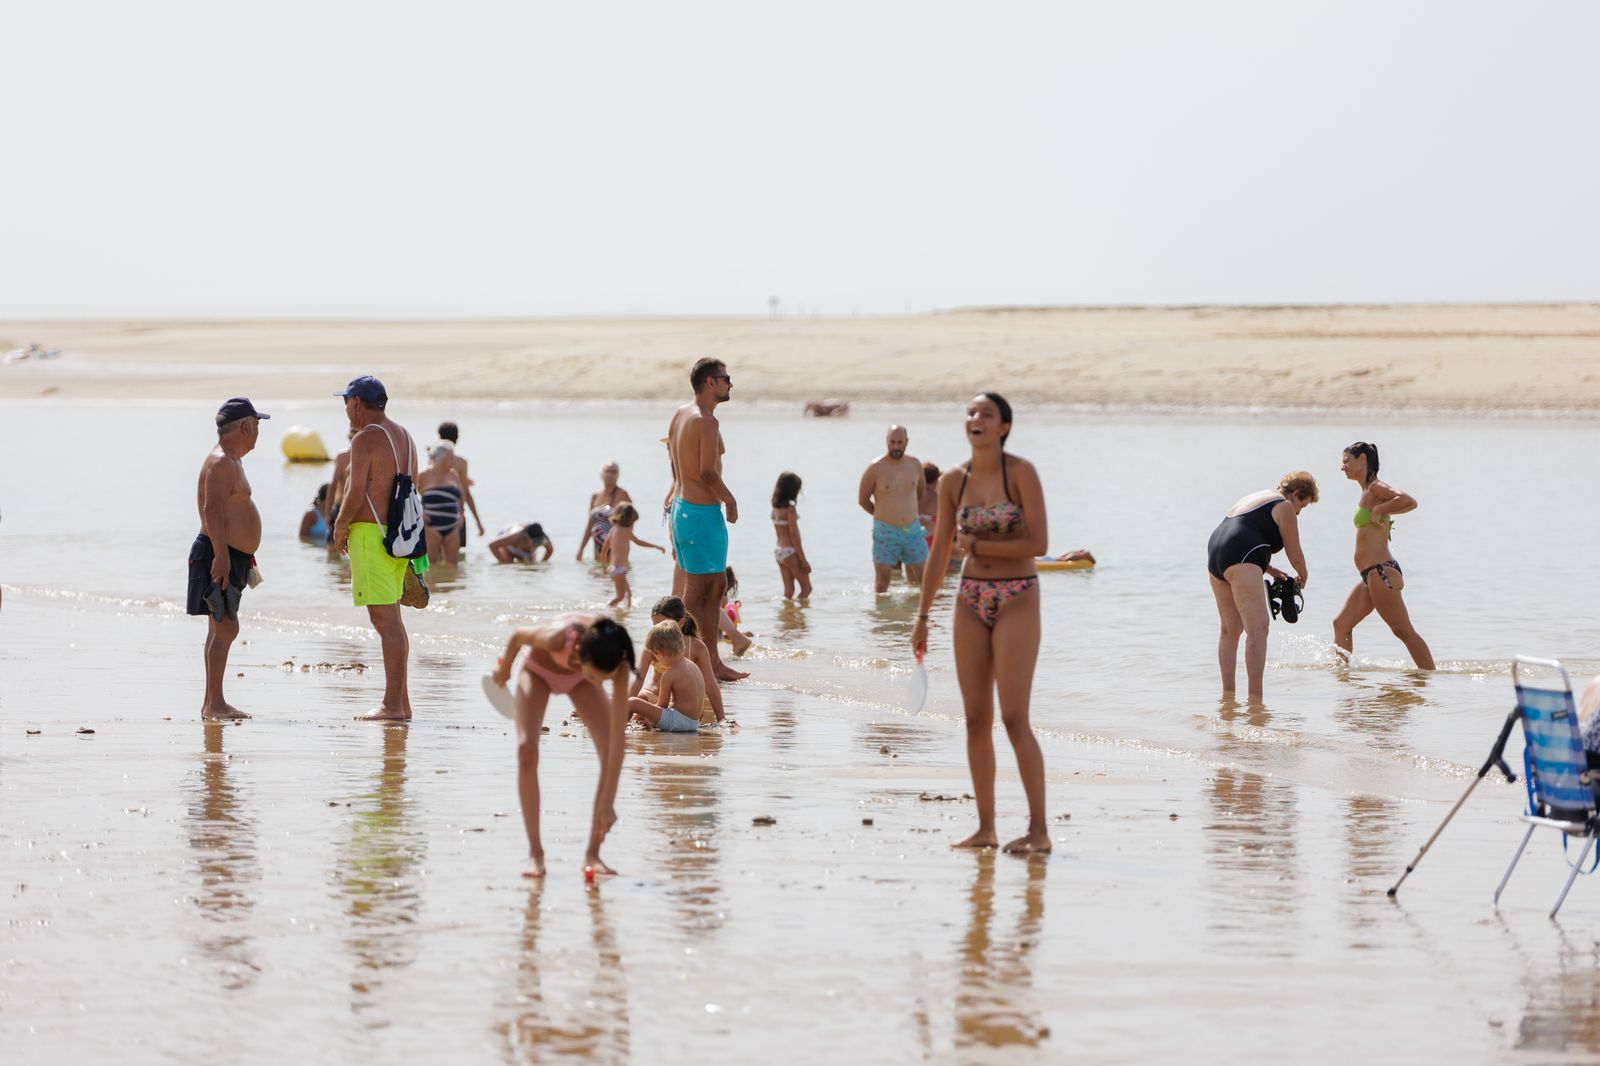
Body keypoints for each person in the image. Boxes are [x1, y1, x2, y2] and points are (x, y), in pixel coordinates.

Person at [913, 393, 1051, 854]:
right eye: (971, 413)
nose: (976, 419)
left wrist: (982, 547)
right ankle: (986, 828)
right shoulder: (954, 480)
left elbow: (1038, 541)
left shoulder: (1021, 473)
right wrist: (922, 614)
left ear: (1004, 427)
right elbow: (939, 551)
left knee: (1014, 717)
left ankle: (1039, 830)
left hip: (1018, 598)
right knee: (975, 719)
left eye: (986, 414)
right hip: (969, 599)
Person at [490, 614, 635, 877]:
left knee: (606, 752)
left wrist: (608, 802)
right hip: (538, 673)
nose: (602, 684)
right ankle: (536, 854)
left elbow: (617, 743)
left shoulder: (617, 660)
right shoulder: (558, 637)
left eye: (606, 679)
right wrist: (504, 671)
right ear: (580, 651)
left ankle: (593, 855)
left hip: (580, 682)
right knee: (526, 751)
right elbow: (517, 636)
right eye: (597, 677)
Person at [330, 375, 419, 722]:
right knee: (393, 620)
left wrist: (340, 525)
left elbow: (354, 492)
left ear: (355, 403)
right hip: (400, 536)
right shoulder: (405, 436)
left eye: (346, 404)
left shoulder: (365, 438)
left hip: (371, 534)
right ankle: (402, 702)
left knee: (385, 622)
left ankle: (392, 705)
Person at [189, 397, 269, 721]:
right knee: (226, 628)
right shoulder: (222, 461)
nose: (258, 433)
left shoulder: (232, 459)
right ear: (246, 426)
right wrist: (221, 556)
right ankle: (215, 703)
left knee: (220, 628)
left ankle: (212, 702)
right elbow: (211, 508)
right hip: (217, 552)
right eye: (258, 426)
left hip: (228, 552)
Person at [1205, 472, 1317, 698]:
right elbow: (1294, 552)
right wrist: (1303, 575)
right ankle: (1255, 700)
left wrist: (1268, 569)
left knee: (1230, 629)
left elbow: (1241, 533)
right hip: (1243, 555)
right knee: (1258, 628)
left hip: (1216, 553)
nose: (1298, 512)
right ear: (1296, 494)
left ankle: (1228, 696)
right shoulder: (1284, 506)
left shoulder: (1257, 497)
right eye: (1302, 507)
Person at [666, 358, 741, 681]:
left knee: (715, 586)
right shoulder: (707, 423)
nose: (730, 384)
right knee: (698, 592)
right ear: (710, 383)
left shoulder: (681, 414)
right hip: (700, 513)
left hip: (683, 509)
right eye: (726, 378)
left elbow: (673, 458)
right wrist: (730, 499)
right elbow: (707, 471)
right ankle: (689, 660)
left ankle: (704, 659)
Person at [1332, 442, 1435, 670]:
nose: (1342, 467)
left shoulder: (1376, 488)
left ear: (1362, 460)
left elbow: (1409, 501)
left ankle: (1430, 678)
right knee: (1341, 624)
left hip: (1381, 572)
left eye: (1346, 461)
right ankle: (1342, 678)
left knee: (1403, 631)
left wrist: (1379, 510)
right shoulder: (1367, 492)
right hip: (1369, 576)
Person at [859, 425, 928, 592]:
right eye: (892, 442)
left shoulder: (914, 464)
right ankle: (884, 618)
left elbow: (920, 493)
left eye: (900, 442)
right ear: (886, 442)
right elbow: (863, 500)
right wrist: (883, 514)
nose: (896, 446)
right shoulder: (875, 468)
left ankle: (923, 616)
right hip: (885, 531)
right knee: (882, 584)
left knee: (924, 581)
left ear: (906, 442)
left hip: (912, 530)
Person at [639, 596, 726, 722]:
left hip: (681, 704)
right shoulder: (652, 642)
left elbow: (710, 684)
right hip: (654, 697)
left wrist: (722, 718)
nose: (657, 630)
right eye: (654, 626)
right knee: (638, 700)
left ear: (681, 623)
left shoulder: (696, 646)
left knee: (698, 711)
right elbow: (639, 676)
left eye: (662, 625)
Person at [627, 621, 705, 733]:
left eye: (655, 656)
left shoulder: (668, 675)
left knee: (632, 702)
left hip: (677, 722)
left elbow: (661, 706)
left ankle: (621, 725)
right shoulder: (693, 666)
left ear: (659, 653)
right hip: (694, 722)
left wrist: (645, 715)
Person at [598, 504, 664, 607]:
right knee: (620, 596)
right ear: (629, 521)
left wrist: (604, 566)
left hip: (614, 568)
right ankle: (606, 609)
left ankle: (626, 613)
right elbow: (638, 542)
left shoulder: (613, 530)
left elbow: (604, 550)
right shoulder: (625, 531)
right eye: (633, 523)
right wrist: (656, 546)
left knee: (628, 594)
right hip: (619, 569)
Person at [436, 421, 486, 549]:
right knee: (454, 560)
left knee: (434, 560)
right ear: (457, 438)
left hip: (434, 513)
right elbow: (467, 495)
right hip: (455, 515)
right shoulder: (461, 463)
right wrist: (478, 523)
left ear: (439, 436)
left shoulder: (432, 459)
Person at [417, 441, 465, 565]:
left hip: (452, 526)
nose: (453, 461)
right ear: (440, 458)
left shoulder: (453, 474)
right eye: (450, 458)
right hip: (431, 526)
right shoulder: (423, 475)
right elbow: (409, 496)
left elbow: (461, 495)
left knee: (452, 567)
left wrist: (461, 512)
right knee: (430, 565)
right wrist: (419, 513)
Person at [577, 461, 633, 562]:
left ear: (618, 475)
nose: (610, 474)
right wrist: (581, 549)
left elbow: (630, 521)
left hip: (615, 544)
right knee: (598, 574)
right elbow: (590, 524)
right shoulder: (595, 496)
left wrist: (622, 542)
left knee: (615, 574)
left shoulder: (623, 495)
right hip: (597, 544)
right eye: (607, 471)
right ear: (602, 474)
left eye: (614, 472)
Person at [771, 471, 812, 599]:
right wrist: (802, 559)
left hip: (779, 551)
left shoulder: (775, 508)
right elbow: (794, 535)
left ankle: (787, 617)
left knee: (788, 592)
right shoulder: (790, 509)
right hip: (790, 551)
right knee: (807, 589)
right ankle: (800, 618)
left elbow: (778, 533)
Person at [326, 427, 355, 555]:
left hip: (341, 506)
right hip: (352, 509)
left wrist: (327, 513)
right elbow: (332, 486)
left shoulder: (342, 456)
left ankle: (335, 574)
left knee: (333, 550)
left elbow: (333, 485)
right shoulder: (369, 455)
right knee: (351, 550)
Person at [489, 523, 554, 563]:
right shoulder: (515, 536)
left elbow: (550, 550)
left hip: (527, 552)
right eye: (534, 542)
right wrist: (503, 562)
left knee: (531, 568)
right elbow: (492, 545)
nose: (535, 544)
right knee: (508, 565)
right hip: (508, 545)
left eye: (537, 543)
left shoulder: (543, 539)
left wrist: (542, 562)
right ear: (526, 537)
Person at [919, 462, 941, 543]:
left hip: (912, 542)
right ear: (936, 480)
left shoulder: (912, 497)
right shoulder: (939, 499)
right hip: (932, 543)